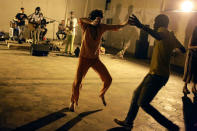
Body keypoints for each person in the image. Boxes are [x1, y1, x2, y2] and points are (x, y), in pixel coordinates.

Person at [114, 14, 186, 130]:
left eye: (155, 21)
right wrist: (172, 50)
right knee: (136, 95)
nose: (154, 23)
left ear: (161, 23)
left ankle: (171, 127)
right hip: (154, 73)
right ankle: (128, 122)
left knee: (143, 103)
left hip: (158, 75)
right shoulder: (171, 36)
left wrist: (141, 25)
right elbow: (183, 49)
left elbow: (159, 35)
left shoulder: (164, 32)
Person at [69, 9, 128, 111]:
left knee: (108, 79)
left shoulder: (102, 27)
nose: (99, 21)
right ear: (92, 18)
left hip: (95, 59)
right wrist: (91, 22)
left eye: (100, 19)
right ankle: (73, 101)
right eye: (97, 19)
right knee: (78, 82)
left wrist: (126, 23)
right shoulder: (86, 25)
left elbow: (117, 27)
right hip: (84, 58)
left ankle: (102, 94)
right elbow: (81, 19)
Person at [183, 26, 197, 96]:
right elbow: (189, 46)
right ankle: (185, 87)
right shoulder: (193, 35)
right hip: (191, 55)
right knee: (189, 72)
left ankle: (194, 87)